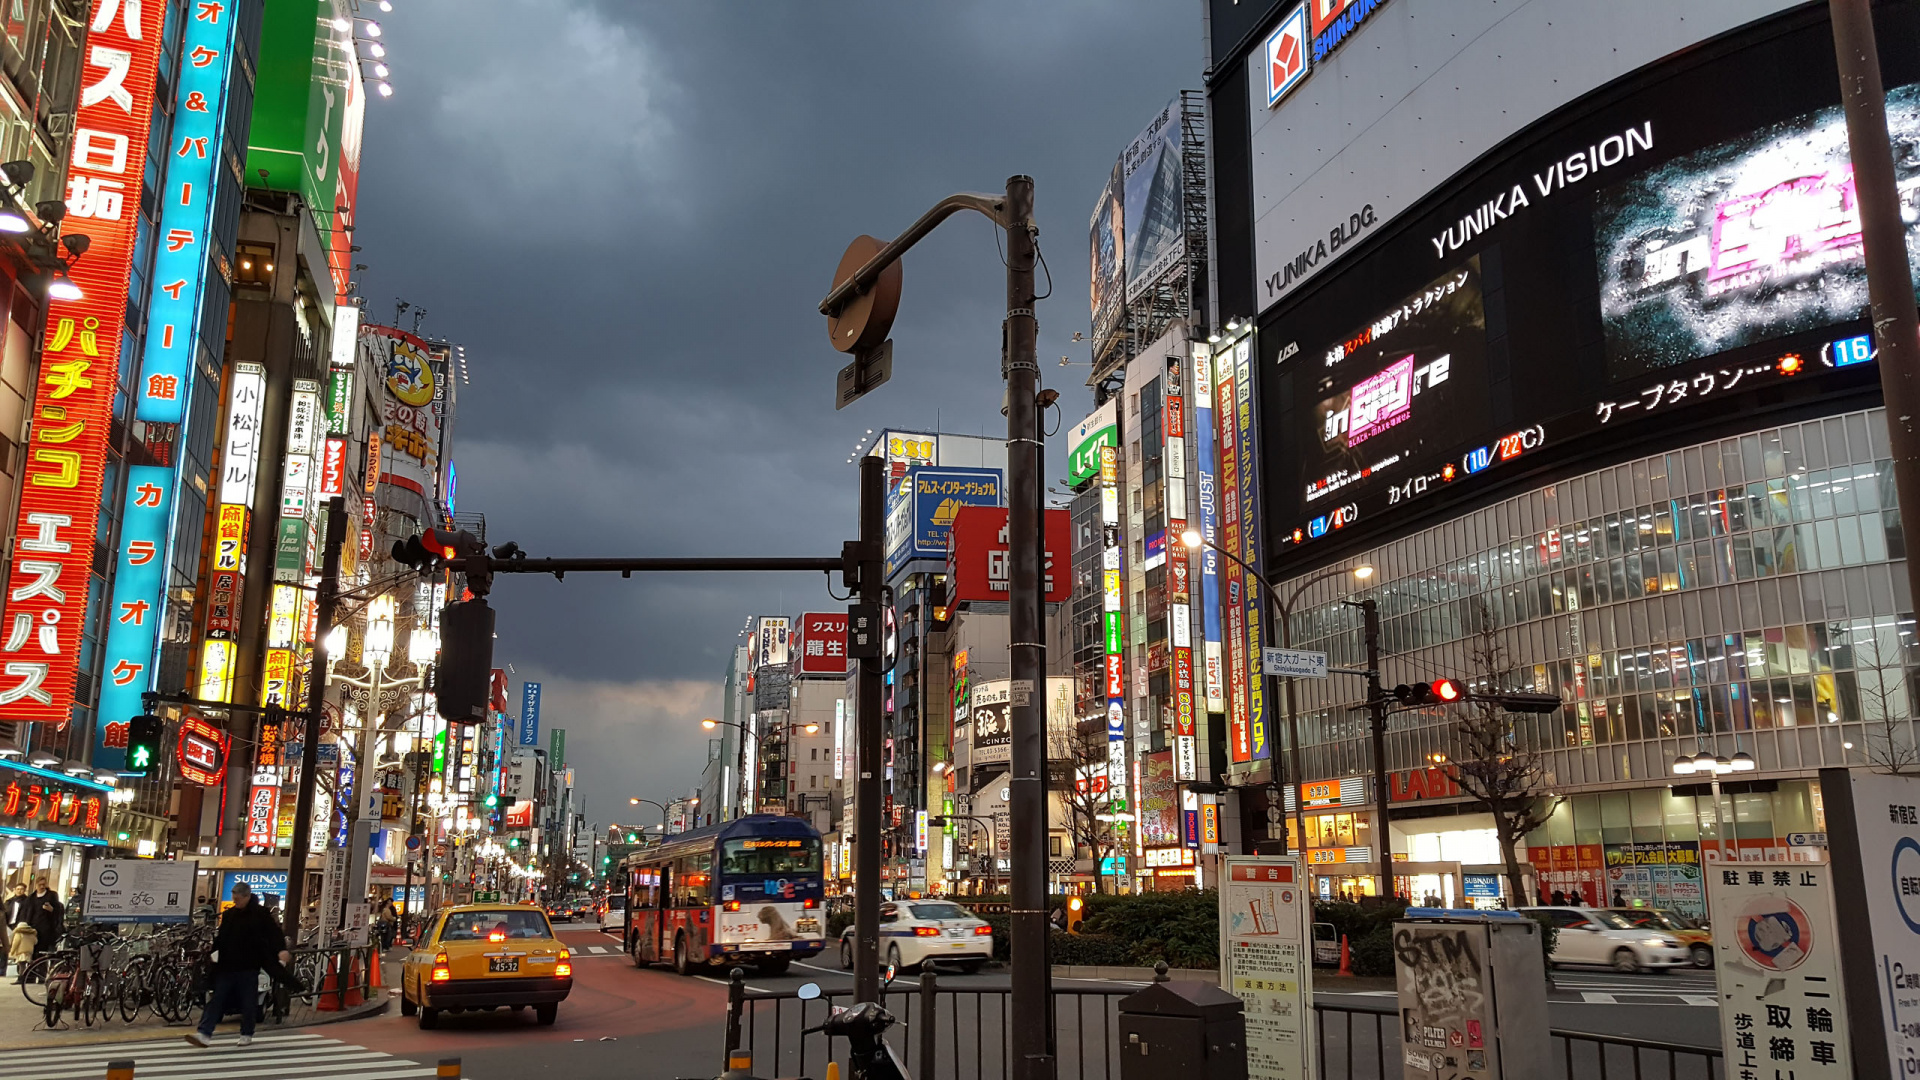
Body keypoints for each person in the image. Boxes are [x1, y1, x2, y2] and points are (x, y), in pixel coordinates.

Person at [185, 881, 289, 1048]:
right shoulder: (229, 915)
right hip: (227, 964)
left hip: (249, 965)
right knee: (217, 998)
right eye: (234, 899)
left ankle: (247, 1032)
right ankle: (204, 1033)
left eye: (238, 899)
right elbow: (222, 937)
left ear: (247, 897)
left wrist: (281, 950)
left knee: (248, 1001)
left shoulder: (260, 914)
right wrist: (214, 952)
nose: (235, 902)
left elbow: (274, 933)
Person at [27, 880, 63, 966]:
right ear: (36, 885)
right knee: (31, 953)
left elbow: (59, 911)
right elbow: (26, 912)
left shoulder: (52, 896)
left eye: (44, 884)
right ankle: (30, 976)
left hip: (46, 929)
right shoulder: (31, 898)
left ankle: (41, 976)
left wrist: (52, 910)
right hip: (32, 929)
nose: (42, 887)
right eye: (40, 884)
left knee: (43, 953)